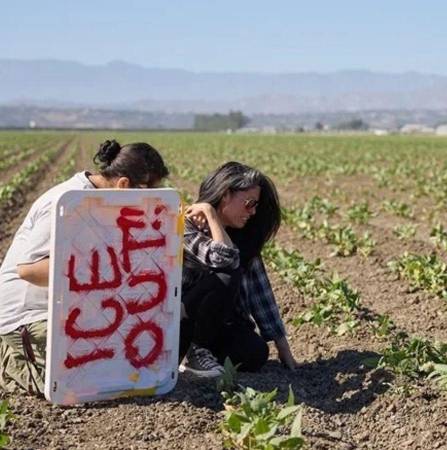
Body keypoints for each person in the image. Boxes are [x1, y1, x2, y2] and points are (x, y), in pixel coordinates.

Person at [0, 140, 169, 395]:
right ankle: (10, 361)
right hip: (27, 313)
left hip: (68, 306)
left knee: (129, 357)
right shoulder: (65, 203)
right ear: (124, 185)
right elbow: (29, 270)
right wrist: (95, 269)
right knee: (88, 382)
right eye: (148, 192)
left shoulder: (108, 201)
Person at [179, 161, 296, 378]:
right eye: (249, 203)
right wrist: (211, 215)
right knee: (228, 273)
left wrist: (283, 348)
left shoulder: (243, 236)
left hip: (218, 323)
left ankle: (203, 356)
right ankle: (192, 353)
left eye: (256, 206)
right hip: (182, 321)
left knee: (255, 353)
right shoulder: (187, 224)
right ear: (226, 195)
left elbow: (260, 293)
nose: (252, 212)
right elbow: (224, 261)